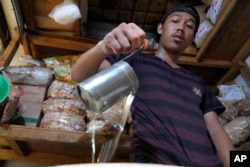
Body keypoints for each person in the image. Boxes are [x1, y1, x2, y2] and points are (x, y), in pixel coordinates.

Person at [71, 4, 234, 167]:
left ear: (192, 39)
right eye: (176, 21)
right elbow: (80, 76)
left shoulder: (197, 81)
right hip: (156, 162)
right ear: (160, 28)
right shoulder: (136, 62)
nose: (181, 28)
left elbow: (216, 130)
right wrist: (103, 47)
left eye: (189, 26)